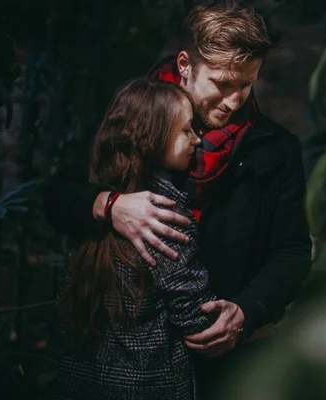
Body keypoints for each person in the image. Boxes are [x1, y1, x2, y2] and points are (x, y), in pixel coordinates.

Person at [44, 0, 312, 396]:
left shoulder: (275, 148)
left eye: (246, 84)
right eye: (221, 83)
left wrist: (246, 311)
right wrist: (111, 205)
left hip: (229, 361)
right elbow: (56, 198)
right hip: (129, 368)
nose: (234, 101)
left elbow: (292, 251)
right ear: (185, 65)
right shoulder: (136, 119)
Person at [56, 78, 217, 400]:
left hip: (82, 381)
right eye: (186, 130)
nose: (197, 140)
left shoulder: (88, 209)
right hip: (149, 387)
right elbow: (197, 322)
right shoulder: (163, 215)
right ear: (151, 137)